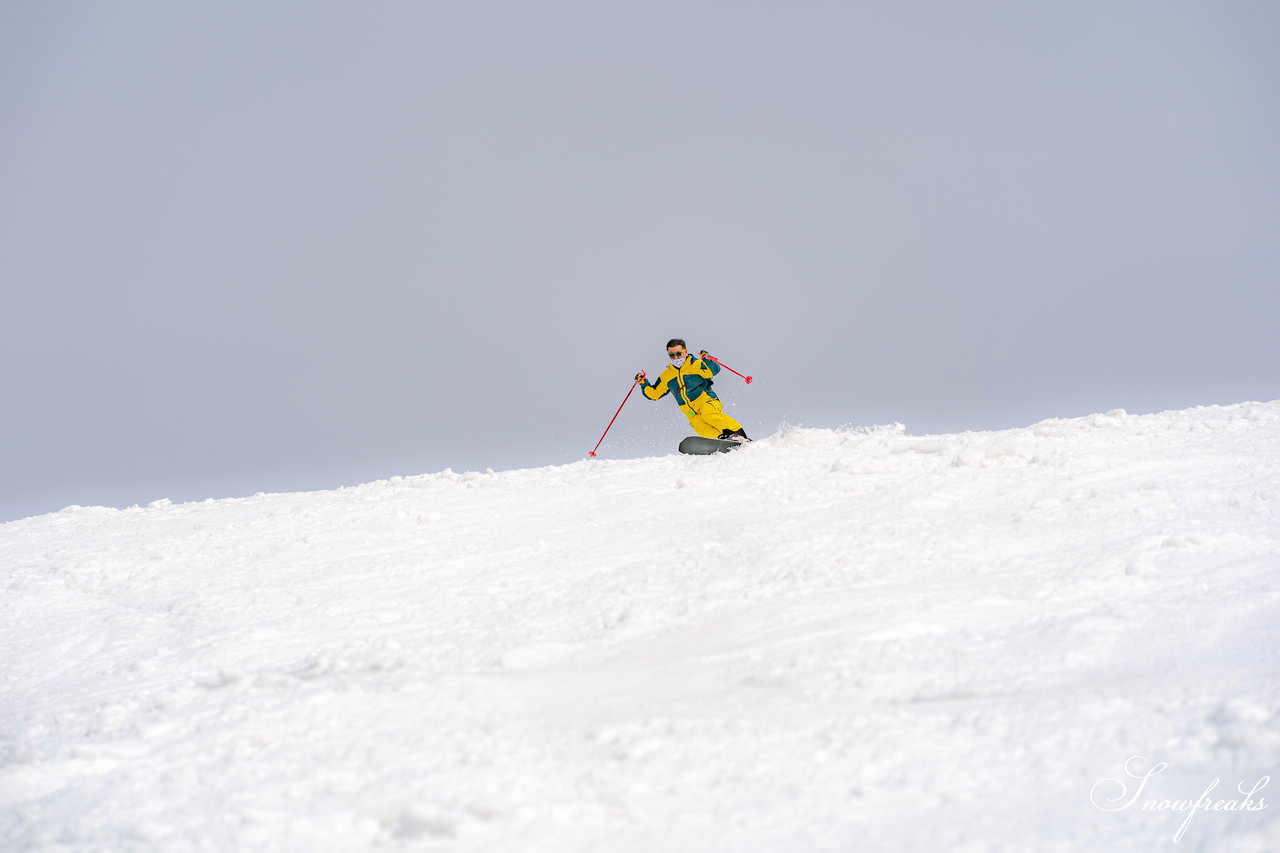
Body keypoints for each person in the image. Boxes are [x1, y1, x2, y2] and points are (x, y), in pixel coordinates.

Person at [635, 339, 751, 441]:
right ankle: (722, 440)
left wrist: (707, 359)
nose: (675, 357)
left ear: (685, 352)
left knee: (709, 415)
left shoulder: (696, 364)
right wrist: (643, 383)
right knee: (700, 426)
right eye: (672, 355)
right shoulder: (667, 375)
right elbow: (655, 394)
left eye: (678, 354)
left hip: (706, 400)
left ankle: (738, 434)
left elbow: (713, 370)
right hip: (690, 411)